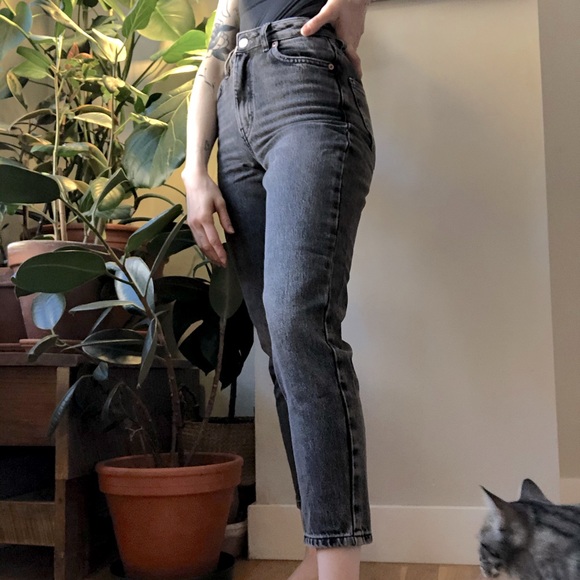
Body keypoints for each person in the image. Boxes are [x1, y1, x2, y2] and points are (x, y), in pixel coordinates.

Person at [182, 1, 374, 578]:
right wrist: (194, 171)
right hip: (233, 114)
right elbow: (216, 53)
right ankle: (318, 551)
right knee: (282, 347)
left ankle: (336, 563)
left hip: (305, 85)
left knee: (299, 325)